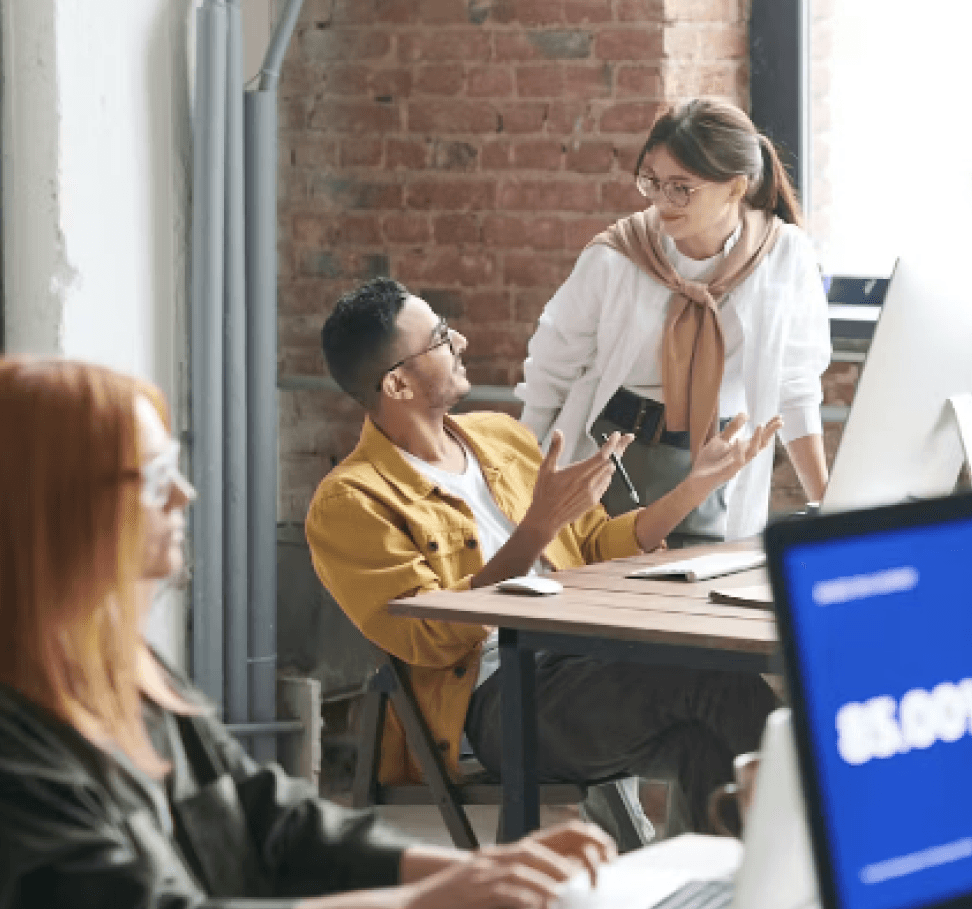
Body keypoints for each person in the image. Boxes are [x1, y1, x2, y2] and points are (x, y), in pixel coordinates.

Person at [0, 356, 618, 909]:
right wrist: (421, 901)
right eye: (156, 478)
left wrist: (478, 868)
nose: (185, 495)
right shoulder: (15, 744)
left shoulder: (126, 669)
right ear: (56, 507)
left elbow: (265, 817)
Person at [305, 278, 780, 849]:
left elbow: (599, 546)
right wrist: (536, 529)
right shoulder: (352, 501)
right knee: (717, 684)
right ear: (398, 382)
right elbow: (433, 636)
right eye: (437, 337)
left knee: (715, 727)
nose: (458, 338)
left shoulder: (499, 438)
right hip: (496, 698)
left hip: (584, 656)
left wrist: (694, 486)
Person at [516, 97, 832, 544]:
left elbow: (796, 387)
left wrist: (831, 510)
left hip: (711, 462)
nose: (663, 200)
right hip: (608, 455)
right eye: (653, 182)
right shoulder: (617, 256)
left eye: (682, 187)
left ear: (736, 188)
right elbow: (549, 374)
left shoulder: (784, 256)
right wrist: (515, 491)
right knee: (601, 594)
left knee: (699, 600)